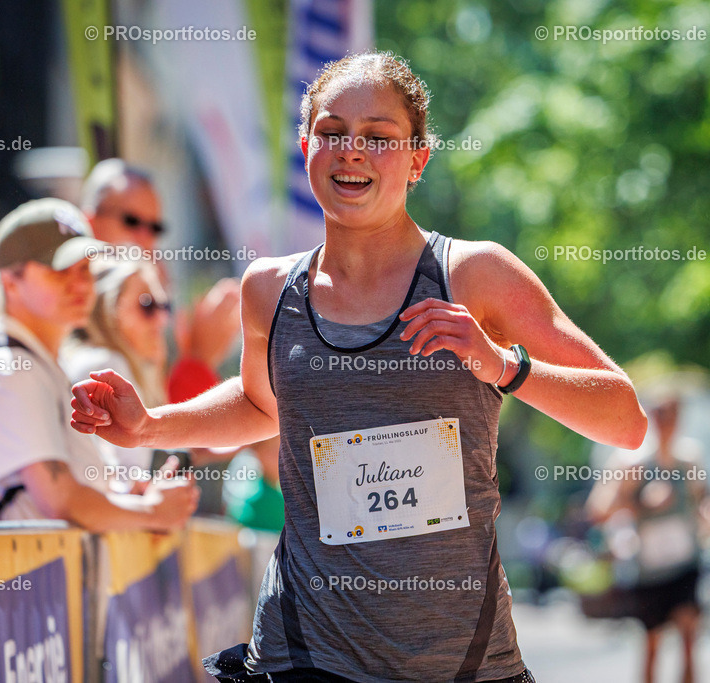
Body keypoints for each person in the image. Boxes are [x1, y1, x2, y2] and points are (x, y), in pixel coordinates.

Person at [71, 52, 647, 682]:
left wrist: (501, 364)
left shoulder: (474, 275)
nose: (352, 151)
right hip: (305, 651)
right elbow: (262, 408)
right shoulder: (268, 288)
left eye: (378, 137)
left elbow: (626, 421)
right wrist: (149, 426)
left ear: (418, 158)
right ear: (305, 145)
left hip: (455, 658)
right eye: (333, 132)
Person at [0, 198, 198, 531]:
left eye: (84, 269)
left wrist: (126, 494)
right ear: (10, 281)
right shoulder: (8, 367)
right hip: (23, 581)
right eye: (59, 269)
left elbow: (69, 493)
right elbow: (60, 500)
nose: (80, 284)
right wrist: (152, 512)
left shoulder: (39, 363)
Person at [80, 158, 242, 402]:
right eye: (131, 221)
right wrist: (199, 359)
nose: (145, 239)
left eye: (155, 228)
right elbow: (160, 430)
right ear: (89, 223)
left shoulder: (156, 284)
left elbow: (159, 411)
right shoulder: (70, 300)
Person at [587, 396, 703, 683]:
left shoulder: (689, 459)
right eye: (661, 415)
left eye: (672, 415)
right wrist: (640, 502)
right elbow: (598, 509)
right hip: (649, 569)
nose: (667, 422)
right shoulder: (631, 462)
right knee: (653, 644)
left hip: (685, 562)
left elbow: (701, 502)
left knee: (689, 636)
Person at [61, 258, 171, 476]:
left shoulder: (96, 358)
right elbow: (128, 477)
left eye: (165, 306)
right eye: (147, 305)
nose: (161, 319)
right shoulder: (105, 363)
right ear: (107, 309)